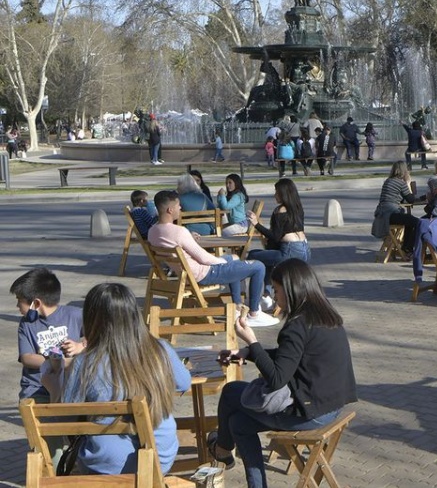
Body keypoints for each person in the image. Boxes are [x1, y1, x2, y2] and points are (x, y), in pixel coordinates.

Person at [208, 259, 357, 488]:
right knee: (238, 423)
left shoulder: (297, 326)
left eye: (276, 290)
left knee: (230, 392)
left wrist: (252, 341)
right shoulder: (325, 316)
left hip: (309, 412)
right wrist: (247, 352)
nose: (275, 297)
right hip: (332, 405)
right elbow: (291, 356)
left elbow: (277, 379)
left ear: (290, 290)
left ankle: (222, 450)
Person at [48, 283, 190, 475]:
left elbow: (66, 418)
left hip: (107, 464)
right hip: (159, 458)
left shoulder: (85, 362)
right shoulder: (160, 349)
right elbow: (184, 382)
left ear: (91, 320)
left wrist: (54, 386)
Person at [148, 190, 277, 326]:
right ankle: (254, 313)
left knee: (234, 258)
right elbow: (204, 258)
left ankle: (237, 306)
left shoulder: (152, 231)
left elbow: (173, 242)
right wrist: (222, 262)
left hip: (186, 274)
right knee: (258, 266)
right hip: (204, 273)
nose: (181, 208)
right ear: (170, 210)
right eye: (178, 205)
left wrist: (190, 238)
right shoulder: (179, 232)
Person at [11, 268, 85, 402]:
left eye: (19, 300)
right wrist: (61, 363)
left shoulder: (75, 315)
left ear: (36, 303)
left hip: (70, 386)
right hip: (37, 389)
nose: (17, 305)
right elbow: (27, 358)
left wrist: (81, 346)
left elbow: (101, 336)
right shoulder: (26, 324)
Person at [248, 178, 311, 311]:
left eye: (276, 192)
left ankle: (262, 298)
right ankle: (266, 295)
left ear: (283, 193)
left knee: (253, 255)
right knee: (268, 260)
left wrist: (256, 224)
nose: (274, 195)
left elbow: (275, 236)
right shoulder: (298, 208)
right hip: (305, 249)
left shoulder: (281, 210)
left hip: (290, 250)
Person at [372, 161, 424, 257]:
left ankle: (406, 247)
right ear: (404, 171)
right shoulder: (401, 183)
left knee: (409, 220)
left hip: (381, 213)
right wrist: (408, 183)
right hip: (390, 215)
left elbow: (398, 197)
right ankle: (408, 248)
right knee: (417, 222)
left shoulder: (388, 181)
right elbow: (411, 199)